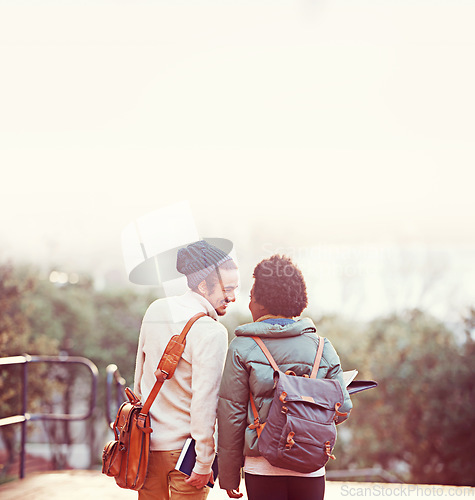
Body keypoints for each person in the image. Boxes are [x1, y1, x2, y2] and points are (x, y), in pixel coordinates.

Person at [217, 254, 352, 500]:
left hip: (262, 467)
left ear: (262, 304)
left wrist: (228, 475)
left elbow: (231, 416)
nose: (249, 305)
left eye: (251, 297)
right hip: (310, 465)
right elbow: (343, 408)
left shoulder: (241, 348)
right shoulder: (322, 347)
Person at [134, 240, 239, 500]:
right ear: (204, 286)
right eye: (226, 289)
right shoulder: (212, 331)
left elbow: (139, 383)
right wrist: (204, 462)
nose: (233, 297)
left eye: (236, 288)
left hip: (146, 448)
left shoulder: (156, 310)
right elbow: (205, 401)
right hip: (185, 458)